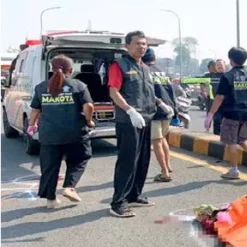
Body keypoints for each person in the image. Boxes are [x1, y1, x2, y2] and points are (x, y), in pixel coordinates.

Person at [108, 31, 172, 218]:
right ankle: (118, 202)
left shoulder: (145, 67)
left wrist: (161, 104)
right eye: (137, 43)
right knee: (127, 161)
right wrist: (129, 110)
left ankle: (134, 194)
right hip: (129, 120)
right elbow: (114, 91)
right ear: (127, 46)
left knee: (143, 160)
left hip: (146, 118)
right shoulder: (119, 65)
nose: (142, 47)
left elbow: (148, 92)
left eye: (144, 44)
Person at [28, 55, 94, 209]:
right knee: (80, 158)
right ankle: (69, 187)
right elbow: (89, 106)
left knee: (49, 167)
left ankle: (50, 200)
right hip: (75, 133)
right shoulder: (78, 85)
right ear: (70, 70)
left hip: (49, 134)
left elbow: (35, 109)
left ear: (52, 69)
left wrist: (31, 125)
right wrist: (89, 121)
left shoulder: (41, 87)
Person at [205, 47, 247, 179]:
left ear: (231, 60)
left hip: (232, 114)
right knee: (242, 139)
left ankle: (234, 170)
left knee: (231, 142)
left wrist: (210, 114)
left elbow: (219, 97)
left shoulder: (228, 76)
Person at [142, 48, 176, 182]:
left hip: (155, 110)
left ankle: (164, 172)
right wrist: (175, 109)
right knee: (162, 140)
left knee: (156, 141)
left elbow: (148, 92)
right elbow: (171, 90)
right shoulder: (164, 71)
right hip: (168, 109)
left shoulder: (144, 71)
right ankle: (168, 165)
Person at [202, 59, 227, 135]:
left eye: (221, 65)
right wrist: (181, 80)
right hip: (215, 104)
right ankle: (217, 140)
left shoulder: (229, 76)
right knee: (217, 121)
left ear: (225, 67)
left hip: (227, 104)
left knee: (226, 123)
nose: (219, 67)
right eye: (217, 65)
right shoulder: (209, 76)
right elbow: (199, 81)